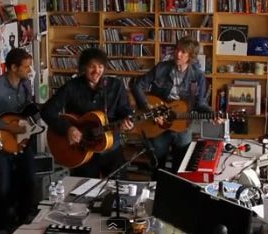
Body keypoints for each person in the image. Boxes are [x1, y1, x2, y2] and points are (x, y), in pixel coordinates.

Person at [132, 36, 220, 173]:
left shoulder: (198, 77)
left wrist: (212, 113)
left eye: (183, 52)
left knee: (180, 166)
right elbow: (137, 85)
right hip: (158, 122)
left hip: (182, 124)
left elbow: (200, 104)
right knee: (158, 165)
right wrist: (148, 107)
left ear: (190, 56)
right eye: (177, 49)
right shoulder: (161, 68)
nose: (178, 54)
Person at [40, 48, 134, 178]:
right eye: (92, 66)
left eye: (100, 66)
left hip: (111, 148)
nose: (97, 71)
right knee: (82, 191)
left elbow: (125, 110)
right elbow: (47, 111)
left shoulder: (116, 86)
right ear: (83, 67)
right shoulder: (71, 87)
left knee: (119, 188)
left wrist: (127, 120)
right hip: (81, 151)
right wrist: (68, 129)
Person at [0, 48, 37, 233]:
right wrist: (8, 127)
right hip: (0, 141)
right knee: (3, 184)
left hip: (21, 139)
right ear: (13, 67)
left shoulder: (26, 85)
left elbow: (27, 110)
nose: (29, 70)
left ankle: (25, 219)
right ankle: (1, 225)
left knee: (28, 178)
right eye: (26, 67)